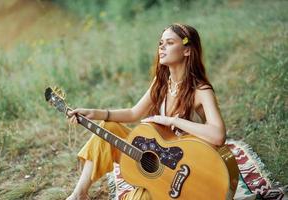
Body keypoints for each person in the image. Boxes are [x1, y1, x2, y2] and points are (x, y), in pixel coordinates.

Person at [66, 23, 226, 200]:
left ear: (187, 50)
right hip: (158, 157)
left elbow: (218, 135)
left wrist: (173, 121)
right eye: (160, 43)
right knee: (107, 128)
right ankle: (78, 195)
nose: (162, 47)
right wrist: (94, 113)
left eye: (170, 42)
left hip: (185, 170)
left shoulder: (201, 90)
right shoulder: (162, 82)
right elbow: (134, 113)